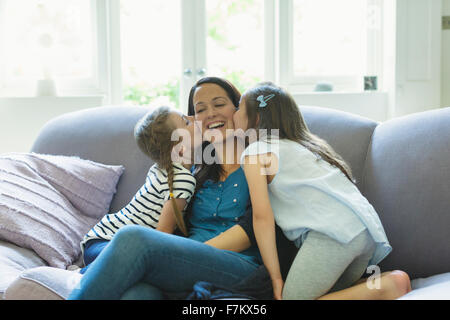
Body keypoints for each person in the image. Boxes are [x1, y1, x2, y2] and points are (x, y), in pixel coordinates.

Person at [68, 77, 411, 300]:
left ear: (240, 111)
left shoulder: (264, 160)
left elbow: (258, 226)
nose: (209, 113)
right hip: (184, 269)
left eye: (219, 104)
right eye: (198, 110)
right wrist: (172, 258)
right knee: (137, 296)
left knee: (132, 240)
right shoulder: (193, 173)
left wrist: (171, 253)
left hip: (238, 270)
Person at [233, 81, 399, 300]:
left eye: (238, 108)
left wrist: (275, 277)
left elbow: (262, 217)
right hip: (365, 232)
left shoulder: (256, 151)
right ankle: (380, 283)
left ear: (254, 119)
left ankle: (388, 286)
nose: (234, 114)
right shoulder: (308, 146)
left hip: (332, 236)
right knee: (326, 292)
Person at [78, 106, 197, 273]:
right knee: (135, 266)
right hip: (107, 243)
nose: (193, 119)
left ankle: (88, 272)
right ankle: (81, 275)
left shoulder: (160, 169)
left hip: (97, 241)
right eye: (186, 121)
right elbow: (163, 234)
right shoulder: (184, 180)